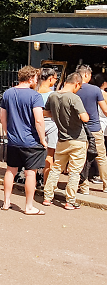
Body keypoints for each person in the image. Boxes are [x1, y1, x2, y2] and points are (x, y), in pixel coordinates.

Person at [0, 65, 46, 214]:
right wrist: (43, 139)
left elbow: (3, 117)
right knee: (30, 173)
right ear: (31, 78)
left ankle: (6, 202)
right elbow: (39, 120)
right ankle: (29, 206)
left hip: (14, 140)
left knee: (10, 170)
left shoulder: (8, 93)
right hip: (31, 141)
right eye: (36, 78)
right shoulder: (35, 96)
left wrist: (8, 133)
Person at [42, 72, 89, 210]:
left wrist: (57, 115)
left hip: (61, 139)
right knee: (74, 171)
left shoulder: (53, 95)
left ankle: (47, 197)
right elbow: (85, 118)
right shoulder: (74, 98)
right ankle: (70, 200)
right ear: (77, 83)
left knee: (56, 168)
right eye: (78, 87)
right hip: (78, 139)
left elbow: (45, 112)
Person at [74, 64, 107, 194]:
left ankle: (84, 186)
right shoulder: (95, 90)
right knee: (101, 157)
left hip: (78, 128)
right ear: (86, 74)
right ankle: (105, 185)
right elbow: (104, 110)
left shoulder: (74, 89)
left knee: (82, 158)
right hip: (94, 127)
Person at [36, 67, 59, 183]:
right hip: (51, 125)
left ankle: (32, 181)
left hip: (35, 124)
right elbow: (55, 113)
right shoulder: (53, 95)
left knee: (34, 154)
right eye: (55, 78)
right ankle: (46, 184)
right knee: (50, 155)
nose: (56, 81)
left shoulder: (34, 91)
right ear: (50, 79)